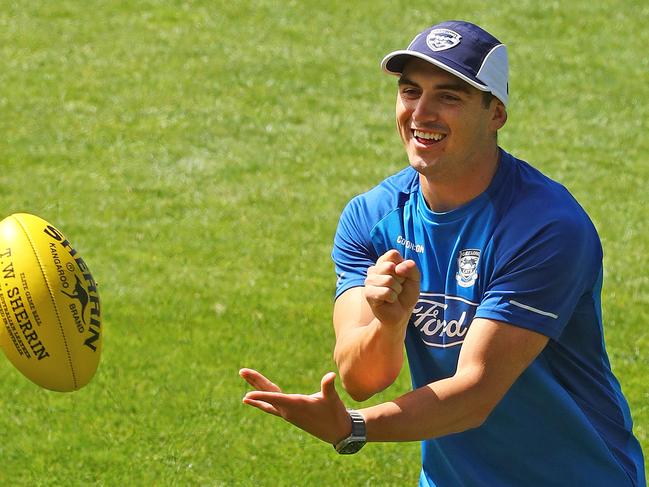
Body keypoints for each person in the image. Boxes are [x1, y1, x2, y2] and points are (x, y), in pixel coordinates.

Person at [240, 20, 646, 486]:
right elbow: (361, 377)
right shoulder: (372, 218)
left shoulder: (546, 227)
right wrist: (388, 324)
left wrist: (353, 427)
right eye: (410, 91)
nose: (421, 113)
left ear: (496, 113)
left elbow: (474, 394)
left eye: (448, 97)